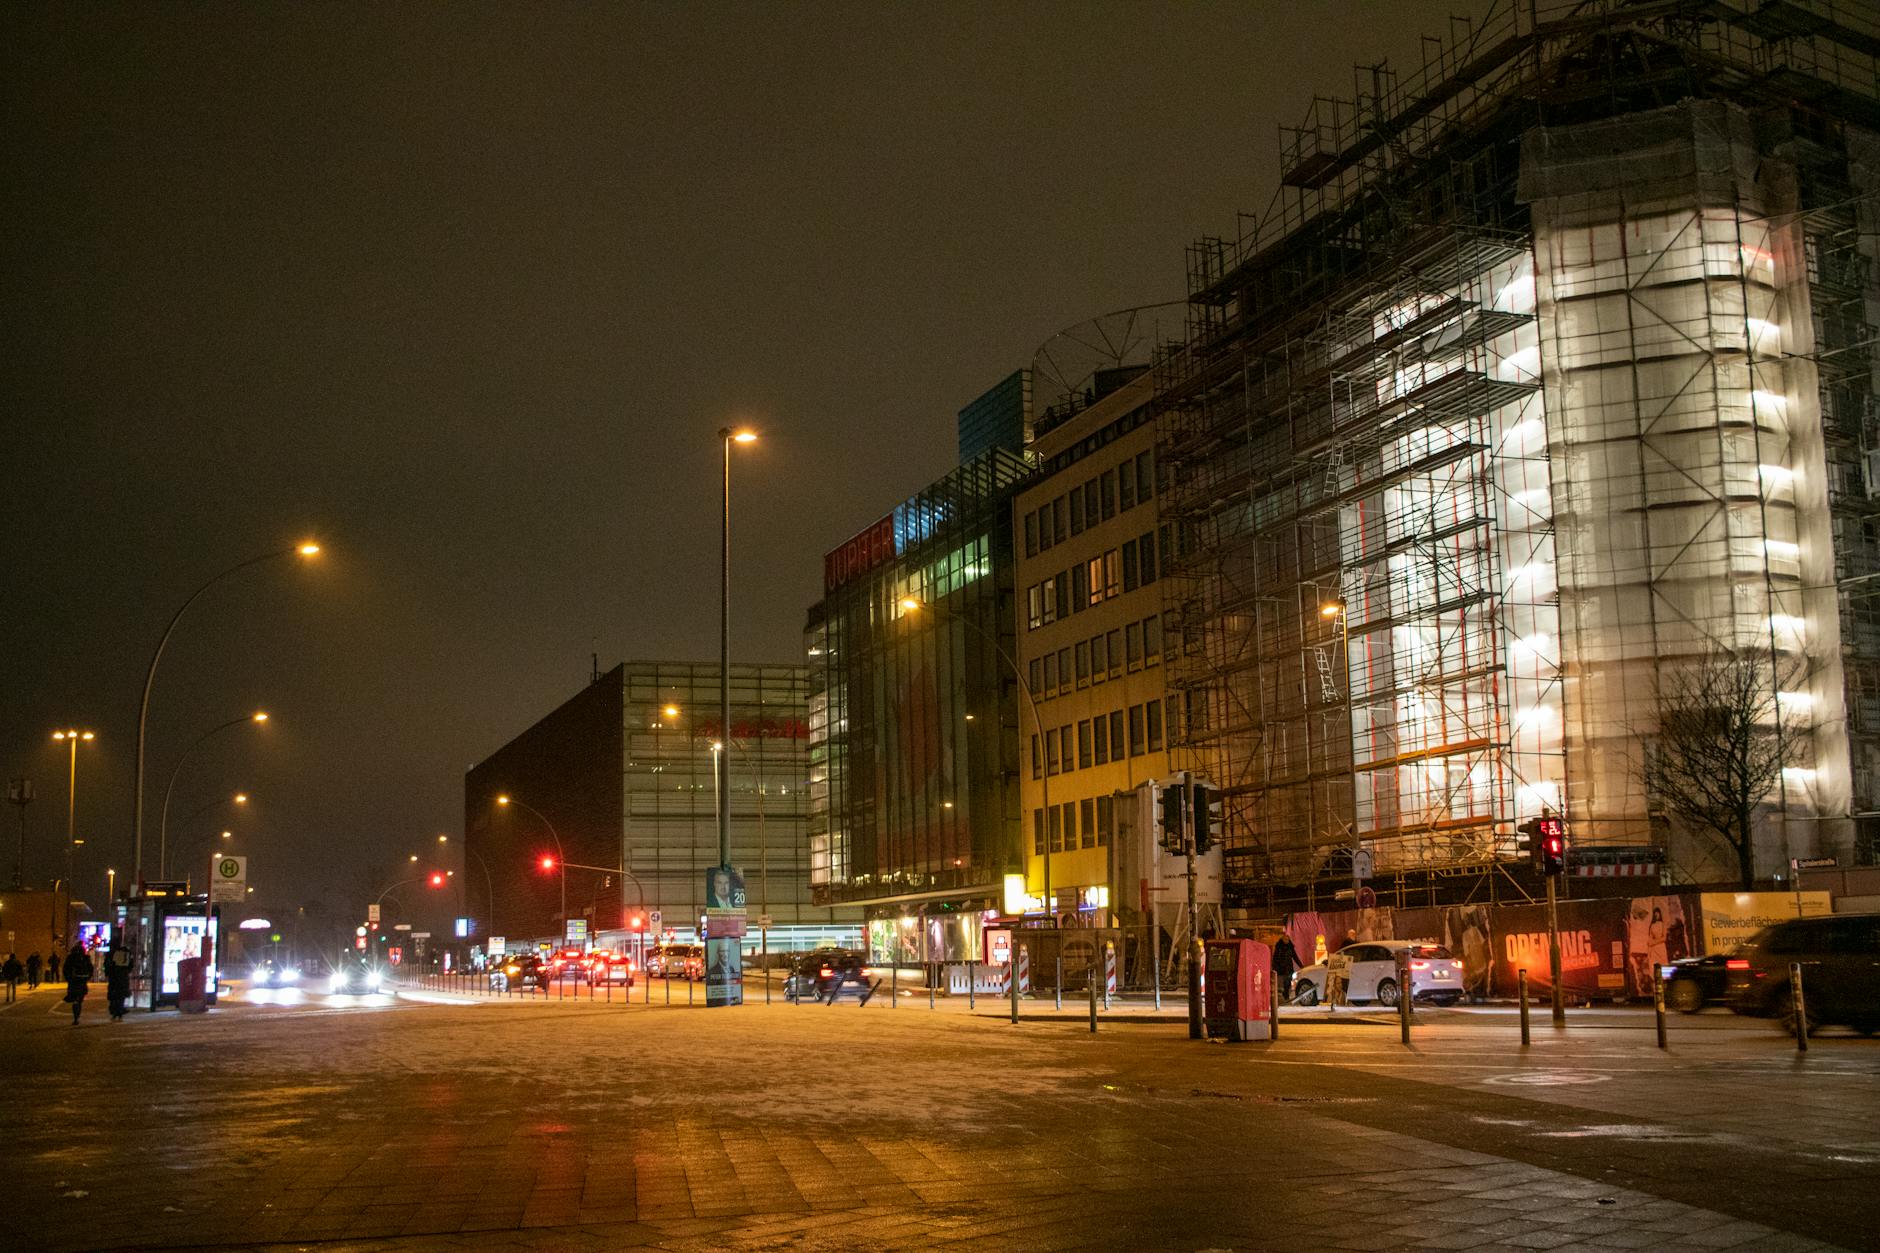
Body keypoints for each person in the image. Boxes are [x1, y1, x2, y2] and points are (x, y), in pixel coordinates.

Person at [61, 943, 94, 1026]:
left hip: (74, 981)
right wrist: (87, 978)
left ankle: (76, 1016)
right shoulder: (85, 958)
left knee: (75, 999)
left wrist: (69, 978)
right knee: (79, 1000)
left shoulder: (71, 958)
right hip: (82, 981)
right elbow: (90, 969)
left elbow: (65, 969)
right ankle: (77, 1016)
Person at [104, 945, 133, 1022]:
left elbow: (107, 966)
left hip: (114, 978)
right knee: (121, 996)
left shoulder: (111, 954)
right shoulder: (126, 953)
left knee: (114, 996)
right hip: (123, 978)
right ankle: (120, 1012)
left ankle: (114, 1012)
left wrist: (108, 974)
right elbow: (130, 966)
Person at [1270, 932, 1301, 1002]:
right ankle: (1285, 995)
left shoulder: (1290, 947)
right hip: (1281, 968)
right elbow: (1275, 958)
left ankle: (1285, 994)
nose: (1286, 940)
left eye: (1287, 939)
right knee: (1284, 982)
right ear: (1282, 939)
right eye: (1285, 939)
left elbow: (1295, 957)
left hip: (1289, 967)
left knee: (1288, 982)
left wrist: (1301, 966)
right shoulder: (1279, 947)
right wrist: (1274, 967)